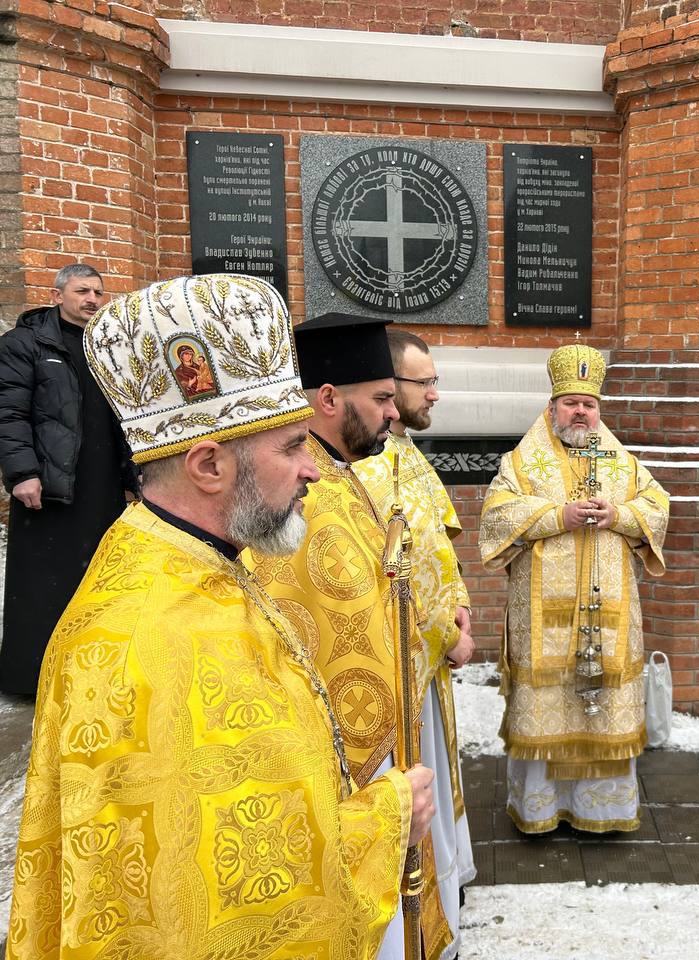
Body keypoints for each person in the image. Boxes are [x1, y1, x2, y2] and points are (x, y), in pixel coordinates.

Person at [5, 274, 435, 960]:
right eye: (293, 448)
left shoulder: (189, 560)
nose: (313, 472)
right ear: (209, 464)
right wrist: (388, 817)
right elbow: (245, 907)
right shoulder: (158, 632)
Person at [245, 312, 453, 960]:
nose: (394, 414)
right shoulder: (304, 497)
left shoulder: (338, 476)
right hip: (346, 757)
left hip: (381, 743)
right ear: (330, 398)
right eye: (383, 399)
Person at [479, 343, 670, 833]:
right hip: (544, 623)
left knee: (603, 710)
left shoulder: (622, 463)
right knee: (547, 708)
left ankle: (599, 811)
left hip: (608, 617)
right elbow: (497, 514)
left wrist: (621, 515)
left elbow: (656, 504)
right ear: (552, 407)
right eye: (571, 403)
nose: (580, 411)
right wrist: (556, 517)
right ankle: (540, 808)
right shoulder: (523, 463)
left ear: (598, 410)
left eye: (589, 404)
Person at [352, 329, 476, 953]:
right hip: (394, 668)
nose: (435, 393)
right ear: (389, 389)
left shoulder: (406, 452)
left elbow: (438, 549)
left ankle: (442, 896)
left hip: (427, 657)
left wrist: (459, 615)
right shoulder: (364, 466)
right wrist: (444, 632)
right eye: (422, 381)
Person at [0, 263, 136, 695]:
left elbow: (125, 421)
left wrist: (132, 478)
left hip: (102, 488)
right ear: (58, 295)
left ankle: (89, 675)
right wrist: (22, 473)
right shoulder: (25, 344)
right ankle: (32, 680)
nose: (92, 300)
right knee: (42, 586)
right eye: (82, 291)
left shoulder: (109, 348)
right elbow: (10, 413)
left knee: (97, 580)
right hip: (49, 488)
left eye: (98, 292)